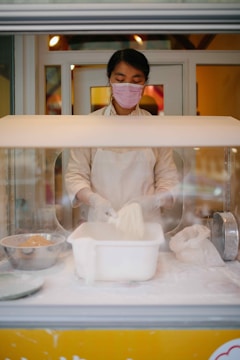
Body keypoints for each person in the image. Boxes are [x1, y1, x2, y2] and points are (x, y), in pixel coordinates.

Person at [65, 48, 179, 225]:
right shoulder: (89, 125)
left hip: (145, 225)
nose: (128, 86)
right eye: (120, 79)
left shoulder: (156, 128)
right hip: (101, 225)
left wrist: (154, 200)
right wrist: (94, 200)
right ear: (110, 80)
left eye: (136, 80)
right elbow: (75, 176)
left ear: (144, 83)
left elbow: (169, 180)